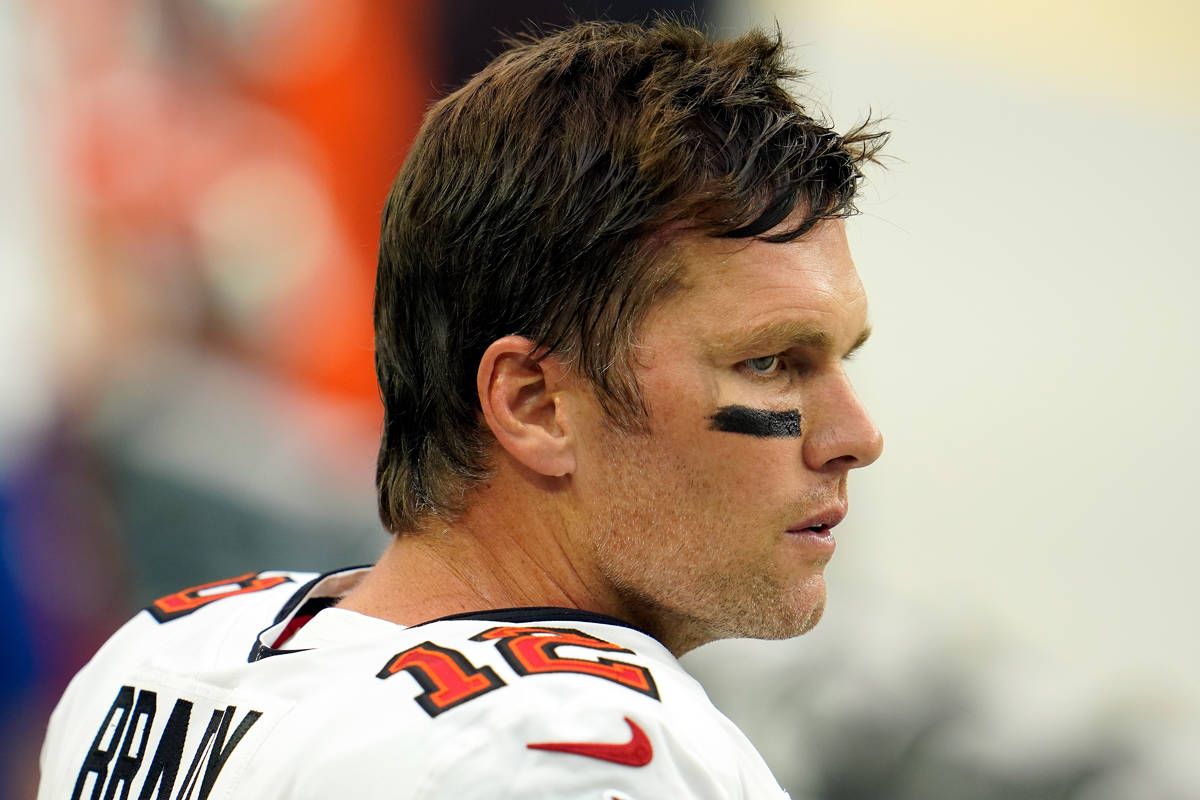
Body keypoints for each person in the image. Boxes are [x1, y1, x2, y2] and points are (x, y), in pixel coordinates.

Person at [38, 18, 886, 799]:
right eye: (770, 363)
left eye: (842, 358)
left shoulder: (155, 658)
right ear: (536, 405)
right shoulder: (582, 752)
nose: (857, 437)